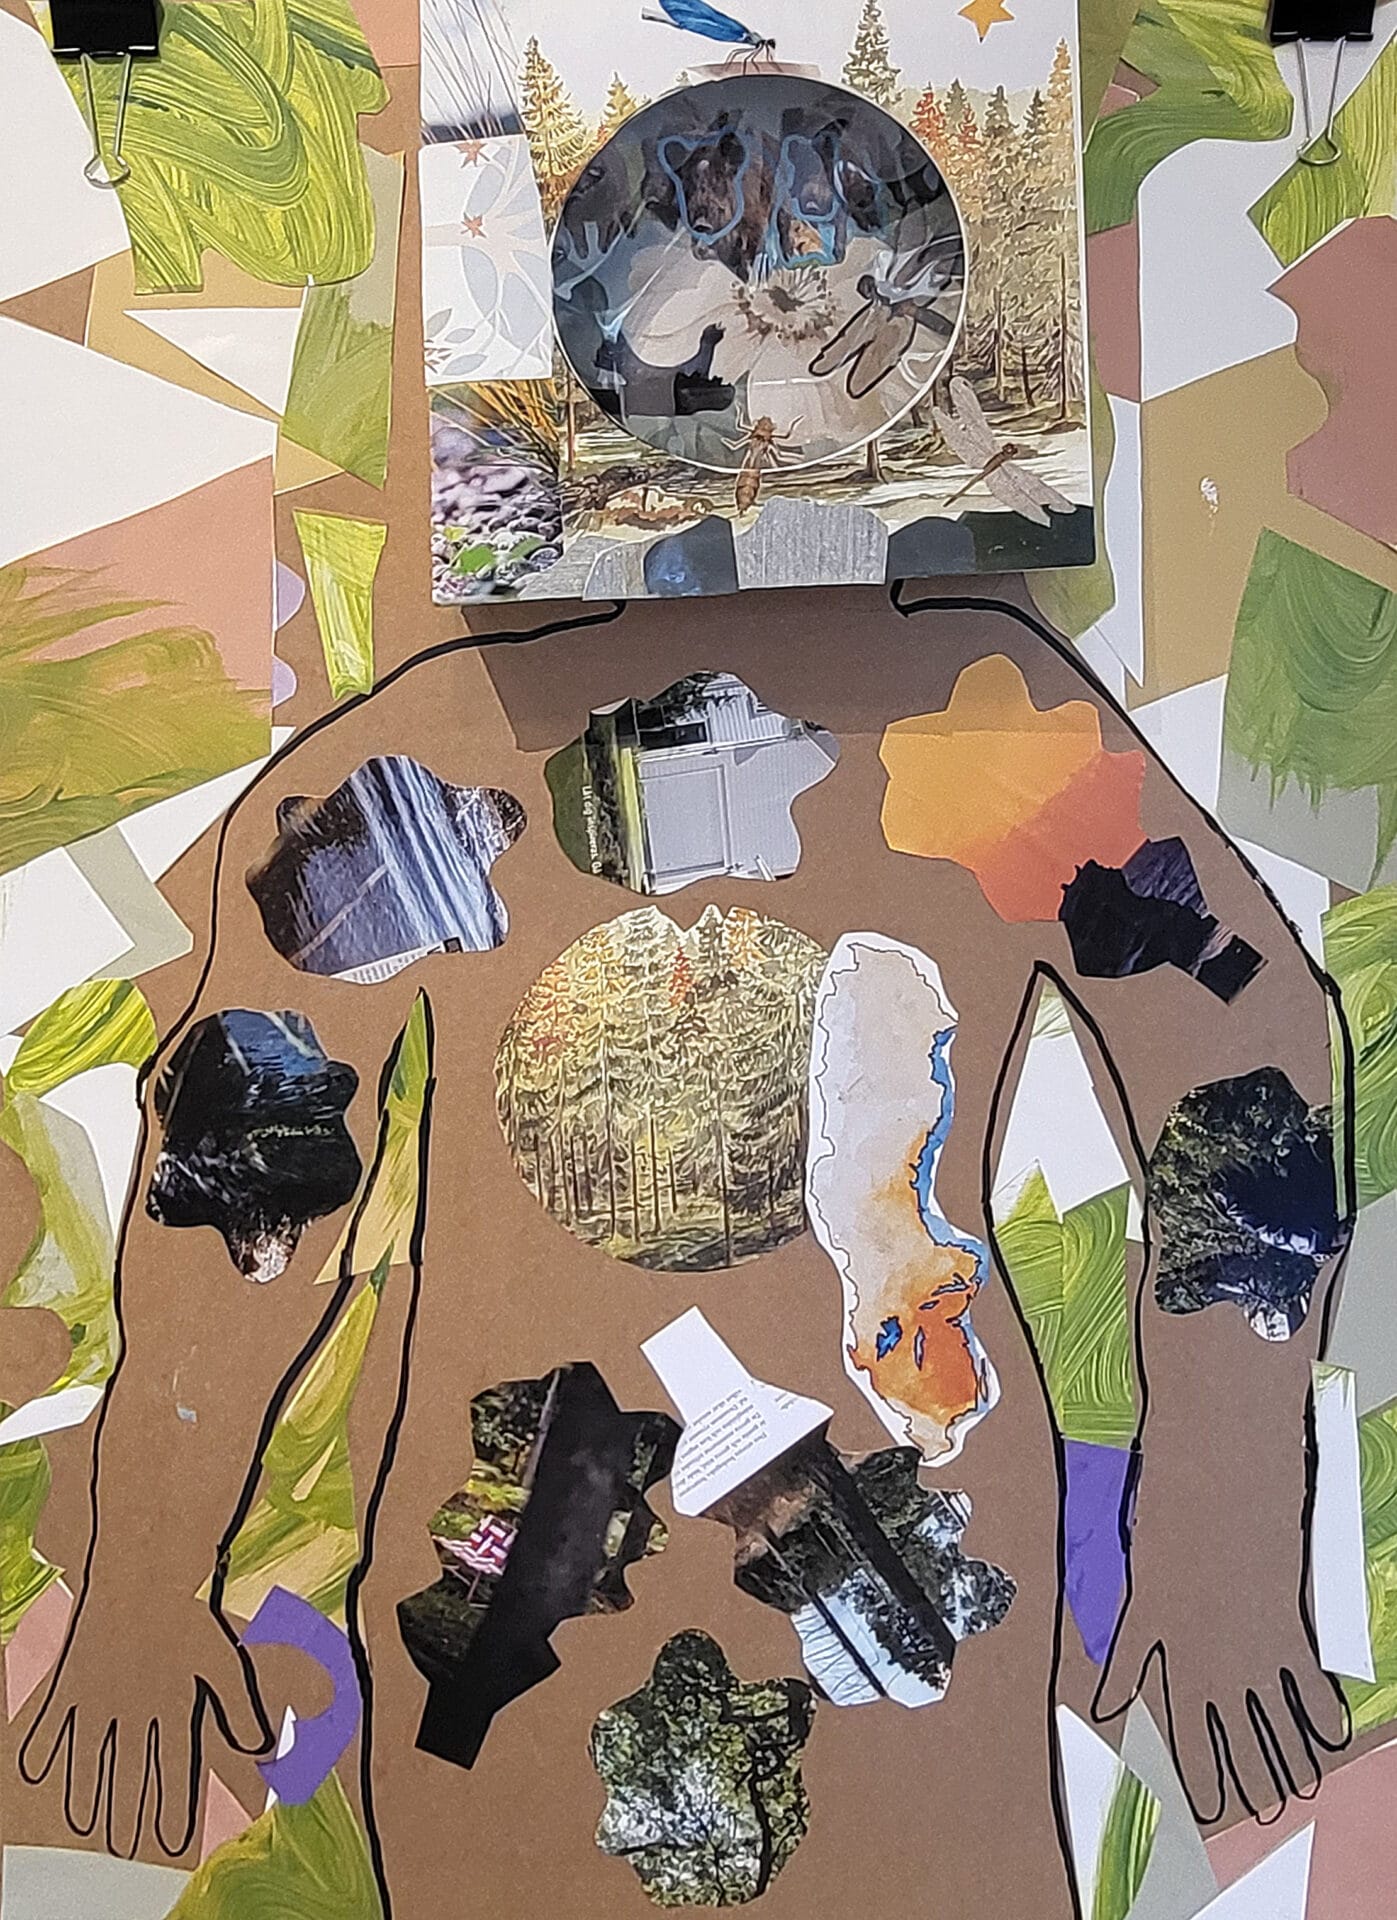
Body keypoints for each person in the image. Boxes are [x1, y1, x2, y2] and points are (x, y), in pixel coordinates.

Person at [17, 583, 1351, 1918]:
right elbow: (237, 1164)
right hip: (522, 1588)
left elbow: (1242, 1041)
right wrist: (144, 1566)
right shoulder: (434, 758)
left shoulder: (965, 723)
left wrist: (1219, 1519)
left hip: (894, 1556)